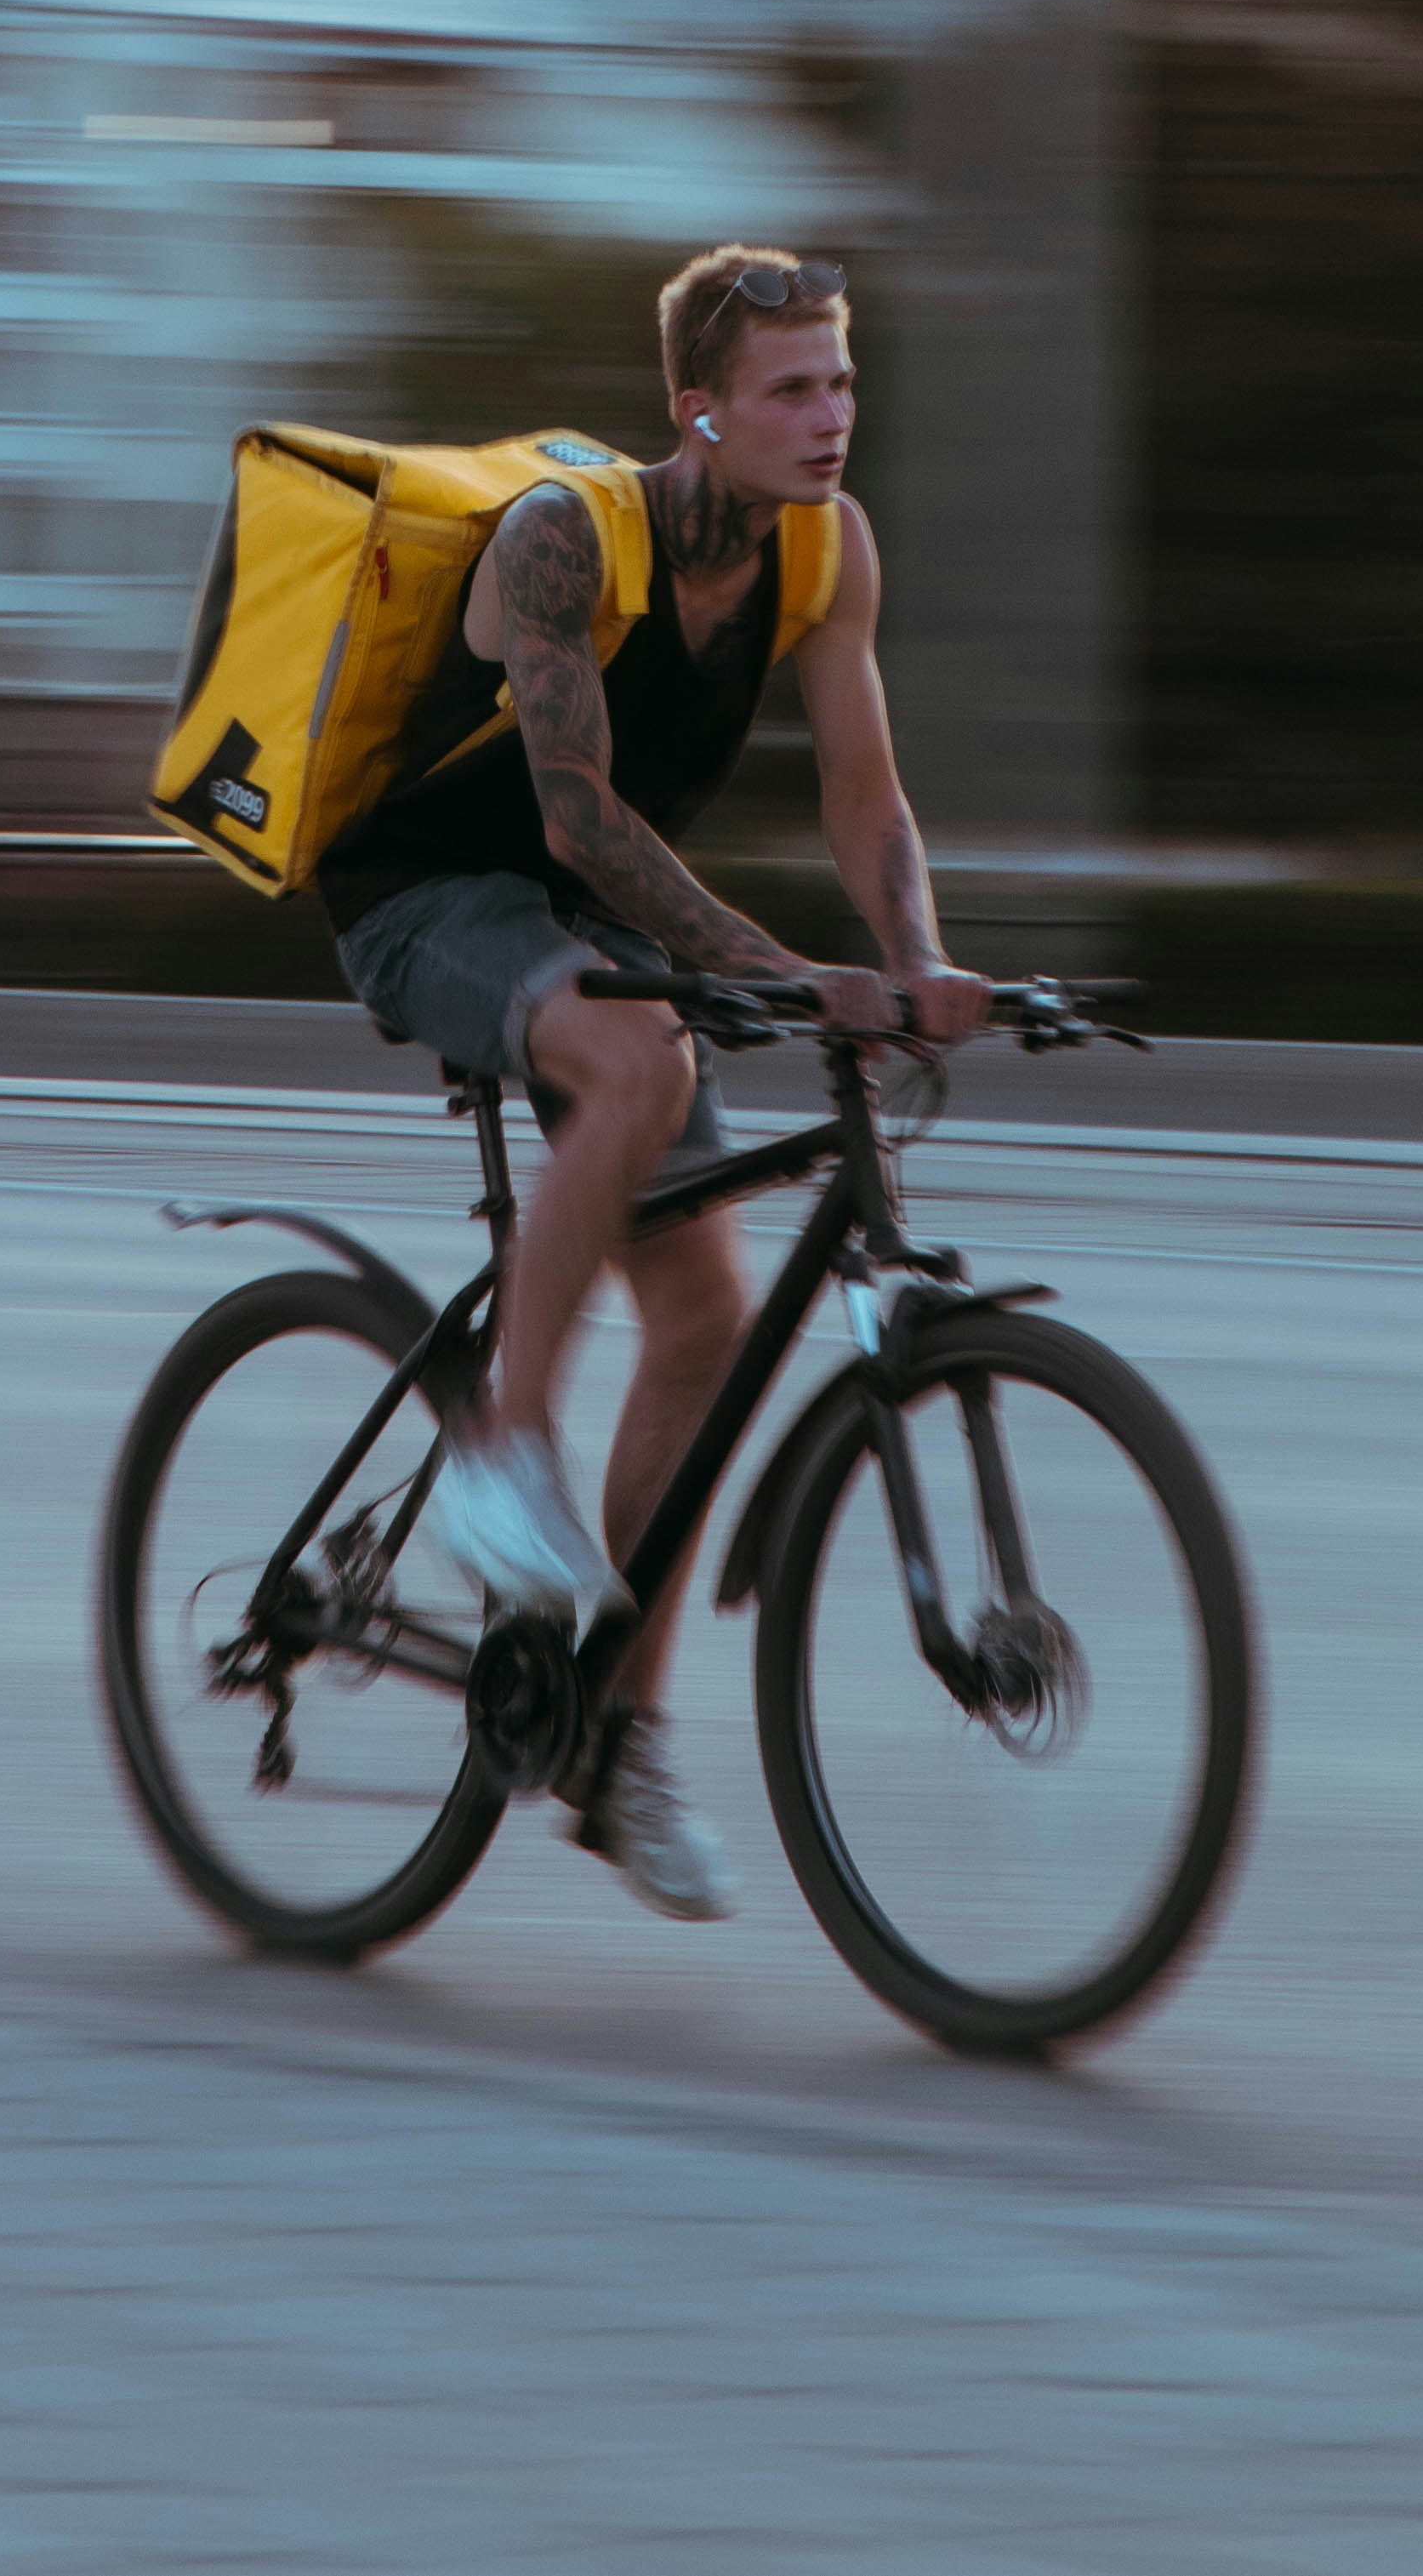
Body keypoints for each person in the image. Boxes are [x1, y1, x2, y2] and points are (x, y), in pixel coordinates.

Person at [316, 244, 993, 1922]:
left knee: (703, 1310)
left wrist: (912, 953)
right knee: (642, 1045)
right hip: (426, 896)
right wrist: (779, 967)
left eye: (840, 380)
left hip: (578, 925)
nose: (829, 414)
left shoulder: (824, 550)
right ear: (701, 404)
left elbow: (865, 791)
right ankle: (497, 1446)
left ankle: (610, 1734)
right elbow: (573, 822)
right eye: (791, 386)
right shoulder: (570, 539)